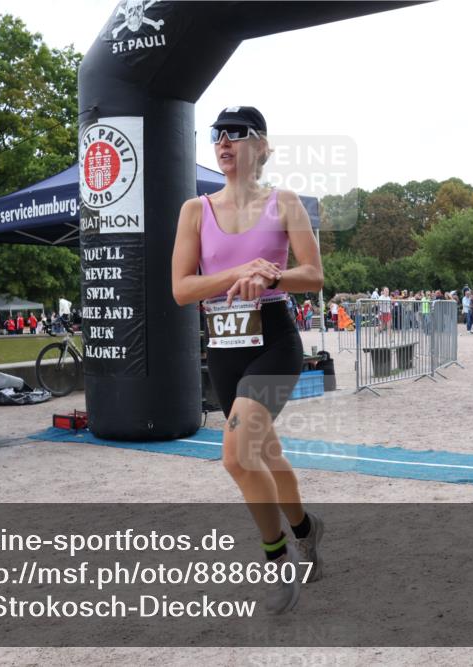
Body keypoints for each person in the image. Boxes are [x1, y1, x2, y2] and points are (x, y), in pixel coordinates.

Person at [171, 105, 323, 615]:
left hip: (274, 342)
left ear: (260, 146)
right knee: (268, 457)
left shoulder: (285, 203)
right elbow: (181, 289)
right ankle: (306, 529)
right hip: (223, 348)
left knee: (237, 456)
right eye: (217, 134)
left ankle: (278, 561)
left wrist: (271, 275)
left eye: (236, 134)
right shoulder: (195, 210)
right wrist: (240, 271)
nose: (223, 142)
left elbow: (313, 275)